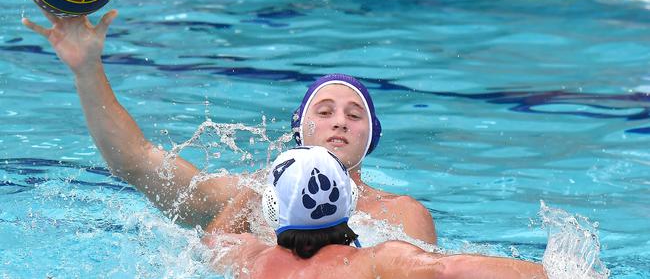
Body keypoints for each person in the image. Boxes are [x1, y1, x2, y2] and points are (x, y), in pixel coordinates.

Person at [22, 10, 436, 243]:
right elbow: (137, 163)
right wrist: (86, 68)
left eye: (354, 114)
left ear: (371, 137)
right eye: (324, 111)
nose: (340, 121)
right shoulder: (250, 195)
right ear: (300, 131)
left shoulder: (403, 214)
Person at [202, 146, 547, 279]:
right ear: (350, 202)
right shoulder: (374, 261)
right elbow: (448, 268)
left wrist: (254, 186)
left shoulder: (250, 257)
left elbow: (212, 240)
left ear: (270, 208)